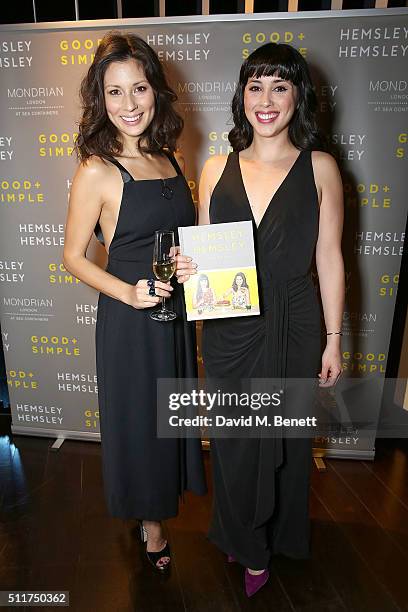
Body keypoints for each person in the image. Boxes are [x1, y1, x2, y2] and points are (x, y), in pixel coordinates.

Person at [176, 42, 344, 596]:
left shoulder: (320, 166)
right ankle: (238, 532)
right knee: (233, 439)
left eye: (279, 86)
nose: (266, 100)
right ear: (241, 96)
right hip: (229, 326)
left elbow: (329, 257)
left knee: (285, 442)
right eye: (255, 87)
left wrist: (333, 340)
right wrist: (187, 265)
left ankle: (266, 543)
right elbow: (203, 251)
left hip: (294, 323)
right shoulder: (216, 165)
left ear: (299, 95)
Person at [63, 31, 206, 572]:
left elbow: (171, 239)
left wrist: (188, 266)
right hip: (129, 318)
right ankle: (151, 523)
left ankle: (156, 504)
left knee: (167, 417)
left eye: (139, 88)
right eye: (115, 92)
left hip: (172, 315)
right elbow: (73, 256)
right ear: (101, 100)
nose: (129, 105)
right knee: (141, 422)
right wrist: (128, 292)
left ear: (156, 92)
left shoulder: (168, 157)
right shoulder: (97, 169)